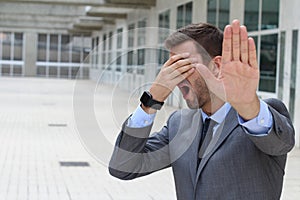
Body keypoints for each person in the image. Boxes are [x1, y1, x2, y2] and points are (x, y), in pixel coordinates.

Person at [108, 19, 295, 200]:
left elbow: (280, 143)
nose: (177, 78)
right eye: (171, 68)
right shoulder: (178, 124)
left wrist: (247, 104)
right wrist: (151, 100)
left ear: (217, 66)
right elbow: (123, 166)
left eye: (183, 65)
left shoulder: (260, 116)